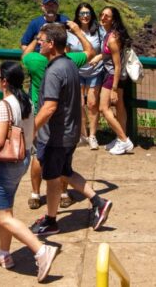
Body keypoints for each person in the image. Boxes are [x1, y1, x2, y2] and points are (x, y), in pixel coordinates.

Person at [0, 60, 58, 281]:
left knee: (1, 215)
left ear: (4, 81)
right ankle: (4, 253)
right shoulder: (26, 100)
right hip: (22, 159)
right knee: (5, 209)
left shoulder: (4, 106)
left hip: (6, 164)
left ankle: (40, 250)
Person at [29, 23, 114, 238]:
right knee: (65, 171)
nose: (39, 42)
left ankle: (50, 221)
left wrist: (31, 130)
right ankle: (98, 201)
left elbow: (49, 107)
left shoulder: (54, 71)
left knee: (52, 178)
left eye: (41, 40)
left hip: (55, 136)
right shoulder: (69, 65)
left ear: (51, 44)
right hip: (70, 133)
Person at [97, 6, 134, 155]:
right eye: (102, 14)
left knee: (103, 109)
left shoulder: (112, 38)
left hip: (112, 76)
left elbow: (117, 65)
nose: (103, 18)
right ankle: (120, 139)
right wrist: (97, 58)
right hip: (115, 76)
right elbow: (108, 55)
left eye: (107, 16)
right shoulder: (110, 34)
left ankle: (124, 140)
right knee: (120, 106)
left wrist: (113, 88)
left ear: (113, 20)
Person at [73, 3, 105, 150]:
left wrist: (98, 57)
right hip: (77, 72)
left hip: (95, 72)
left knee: (92, 104)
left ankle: (92, 136)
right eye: (81, 13)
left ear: (91, 14)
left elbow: (107, 49)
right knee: (79, 105)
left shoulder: (99, 30)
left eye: (87, 13)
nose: (85, 16)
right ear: (77, 16)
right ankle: (82, 135)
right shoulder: (71, 32)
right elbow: (67, 51)